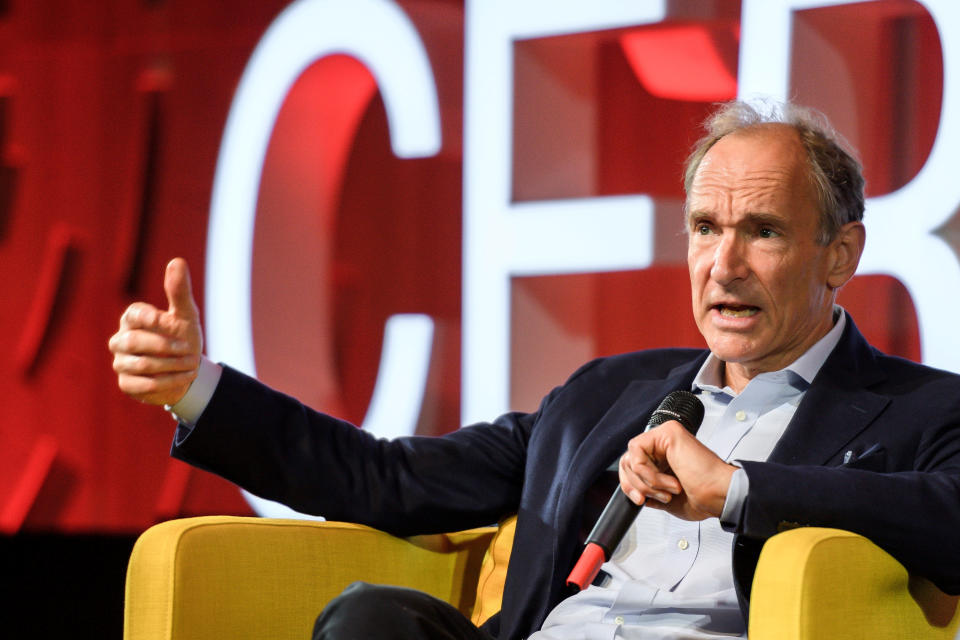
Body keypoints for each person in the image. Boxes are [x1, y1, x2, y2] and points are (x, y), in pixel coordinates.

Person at [109, 100, 960, 639]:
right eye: (705, 228)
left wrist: (738, 490)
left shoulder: (917, 410)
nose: (723, 265)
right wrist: (196, 388)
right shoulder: (606, 396)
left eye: (763, 232)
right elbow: (383, 479)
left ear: (841, 252)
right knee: (371, 618)